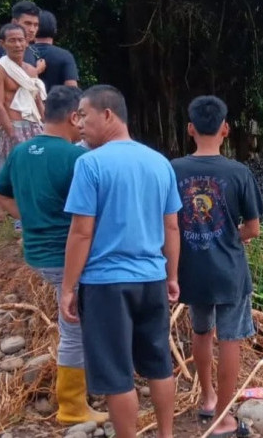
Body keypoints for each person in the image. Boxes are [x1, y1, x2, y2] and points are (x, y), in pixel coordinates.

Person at [60, 85, 180, 438]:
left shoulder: (90, 164)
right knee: (160, 365)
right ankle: (167, 435)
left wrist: (68, 287)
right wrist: (171, 275)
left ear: (108, 114)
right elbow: (171, 225)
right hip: (152, 279)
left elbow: (81, 233)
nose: (78, 122)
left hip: (106, 284)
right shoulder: (159, 163)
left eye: (84, 114)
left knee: (117, 375)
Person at [0, 86, 108, 426]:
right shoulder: (76, 158)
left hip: (37, 253)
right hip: (67, 255)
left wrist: (28, 218)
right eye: (82, 118)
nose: (84, 125)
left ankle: (88, 386)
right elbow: (92, 216)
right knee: (73, 328)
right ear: (74, 117)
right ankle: (72, 405)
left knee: (76, 322)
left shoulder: (21, 151)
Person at [171, 95, 263, 437]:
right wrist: (228, 235)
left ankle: (207, 398)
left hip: (191, 271)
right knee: (230, 339)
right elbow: (252, 229)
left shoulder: (173, 170)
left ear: (191, 129)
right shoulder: (238, 172)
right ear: (226, 128)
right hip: (229, 272)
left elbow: (167, 223)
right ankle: (225, 418)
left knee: (201, 331)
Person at [0, 24, 45, 187]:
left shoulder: (31, 70)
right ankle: (1, 211)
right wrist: (12, 134)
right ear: (2, 43)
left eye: (21, 40)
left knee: (33, 174)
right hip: (13, 127)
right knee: (10, 176)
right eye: (12, 41)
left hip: (34, 127)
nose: (18, 45)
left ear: (27, 42)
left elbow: (38, 101)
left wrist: (45, 126)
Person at [34, 10, 79, 90]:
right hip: (55, 101)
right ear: (55, 30)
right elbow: (72, 89)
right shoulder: (65, 56)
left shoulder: (23, 53)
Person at [0, 0, 45, 71]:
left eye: (36, 25)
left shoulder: (33, 50)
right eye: (27, 23)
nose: (32, 30)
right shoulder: (8, 48)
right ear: (14, 22)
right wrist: (37, 70)